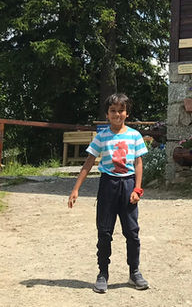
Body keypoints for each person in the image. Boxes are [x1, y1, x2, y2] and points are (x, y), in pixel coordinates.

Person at [68, 93, 149, 293]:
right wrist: (76, 188)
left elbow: (138, 163)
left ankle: (135, 272)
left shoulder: (134, 135)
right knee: (104, 232)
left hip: (128, 186)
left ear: (127, 113)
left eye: (121, 110)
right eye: (113, 111)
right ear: (107, 114)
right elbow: (89, 162)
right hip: (107, 186)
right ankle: (102, 273)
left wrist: (137, 189)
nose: (117, 114)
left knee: (132, 232)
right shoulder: (102, 137)